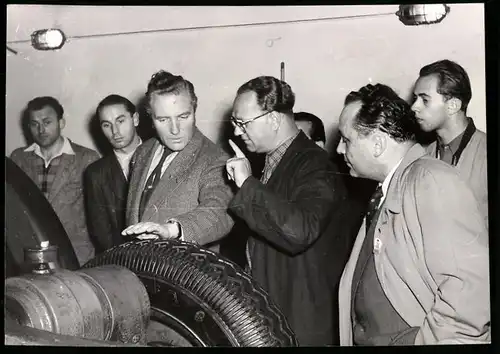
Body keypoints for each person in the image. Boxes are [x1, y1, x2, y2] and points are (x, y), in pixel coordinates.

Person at [337, 83, 490, 345]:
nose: (339, 149)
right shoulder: (391, 186)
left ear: (377, 143)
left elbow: (469, 297)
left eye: (346, 139)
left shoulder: (430, 179)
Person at [225, 76, 348, 346]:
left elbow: (299, 230)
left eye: (243, 123)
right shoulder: (273, 161)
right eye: (235, 123)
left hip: (302, 320)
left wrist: (247, 184)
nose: (236, 132)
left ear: (273, 118)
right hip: (277, 310)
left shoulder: (315, 164)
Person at [121, 71, 234, 252]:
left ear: (194, 111)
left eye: (183, 117)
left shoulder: (215, 159)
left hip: (184, 275)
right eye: (163, 119)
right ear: (151, 118)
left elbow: (219, 212)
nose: (175, 130)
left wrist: (172, 230)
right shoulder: (142, 152)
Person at [10, 96, 100, 265]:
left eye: (47, 122)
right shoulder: (18, 158)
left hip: (76, 255)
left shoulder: (86, 159)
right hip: (31, 257)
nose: (41, 129)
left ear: (61, 122)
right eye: (34, 124)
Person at [411, 59, 488, 226]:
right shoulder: (422, 155)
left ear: (453, 105)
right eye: (415, 98)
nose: (414, 107)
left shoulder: (485, 154)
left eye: (424, 100)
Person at [84, 94, 142, 254]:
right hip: (122, 263)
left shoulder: (163, 155)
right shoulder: (95, 174)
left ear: (135, 119)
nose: (115, 131)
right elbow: (102, 234)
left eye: (120, 121)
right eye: (106, 125)